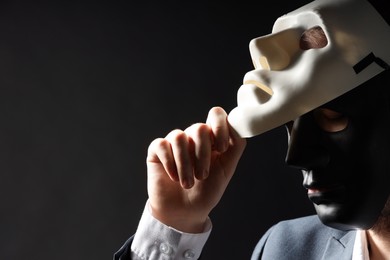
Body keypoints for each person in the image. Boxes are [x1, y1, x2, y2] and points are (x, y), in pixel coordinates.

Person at [114, 0, 390, 259]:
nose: (297, 157)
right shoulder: (285, 249)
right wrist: (173, 227)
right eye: (290, 125)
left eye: (333, 116)